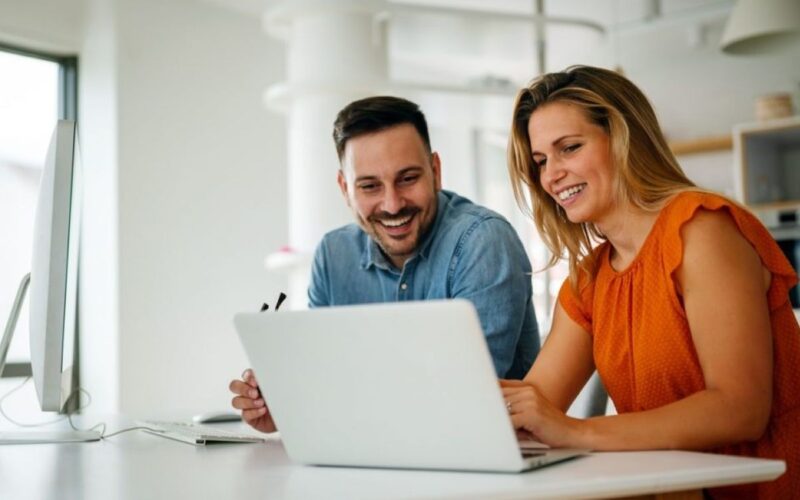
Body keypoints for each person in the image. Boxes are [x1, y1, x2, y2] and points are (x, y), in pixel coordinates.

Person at [502, 65, 799, 499]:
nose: (551, 175)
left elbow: (741, 408)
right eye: (542, 161)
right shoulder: (590, 279)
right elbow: (536, 405)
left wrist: (576, 432)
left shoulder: (702, 231)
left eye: (569, 148)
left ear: (624, 141)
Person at [231, 96, 540, 432]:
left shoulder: (483, 241)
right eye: (370, 186)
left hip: (484, 459)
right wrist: (288, 406)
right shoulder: (333, 255)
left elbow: (466, 399)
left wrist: (327, 400)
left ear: (435, 172)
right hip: (374, 457)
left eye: (408, 178)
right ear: (345, 188)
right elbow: (326, 378)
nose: (392, 205)